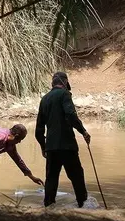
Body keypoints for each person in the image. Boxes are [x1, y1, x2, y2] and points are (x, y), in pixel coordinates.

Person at [35, 71, 91, 208]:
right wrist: (83, 131)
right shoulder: (65, 94)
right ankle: (83, 204)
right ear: (65, 82)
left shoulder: (45, 99)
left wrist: (43, 147)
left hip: (51, 148)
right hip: (67, 145)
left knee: (51, 178)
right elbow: (71, 115)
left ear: (52, 83)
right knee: (76, 175)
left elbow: (38, 130)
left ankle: (48, 206)